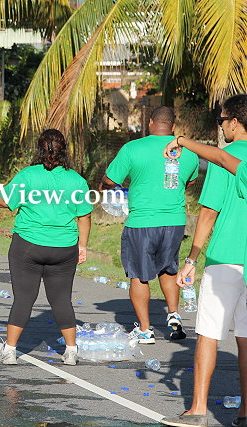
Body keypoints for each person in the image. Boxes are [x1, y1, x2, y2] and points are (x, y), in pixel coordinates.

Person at [0, 129, 92, 366]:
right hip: (64, 247)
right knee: (62, 299)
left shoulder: (28, 175)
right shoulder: (76, 180)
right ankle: (71, 352)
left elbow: (4, 201)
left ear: (39, 150)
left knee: (24, 298)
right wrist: (83, 247)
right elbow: (84, 217)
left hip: (28, 246)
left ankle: (10, 350)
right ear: (64, 151)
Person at [160, 96, 247, 427]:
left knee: (209, 332)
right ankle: (245, 412)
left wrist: (191, 258)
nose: (221, 126)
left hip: (225, 256)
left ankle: (197, 410)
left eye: (222, 120)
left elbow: (209, 211)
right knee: (245, 336)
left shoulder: (228, 158)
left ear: (234, 122)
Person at [99, 107, 199, 344]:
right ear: (173, 126)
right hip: (174, 222)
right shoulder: (189, 153)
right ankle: (173, 315)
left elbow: (110, 180)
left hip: (142, 222)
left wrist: (106, 186)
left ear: (151, 122)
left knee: (139, 275)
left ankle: (145, 330)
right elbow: (189, 181)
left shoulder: (132, 148)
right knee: (169, 269)